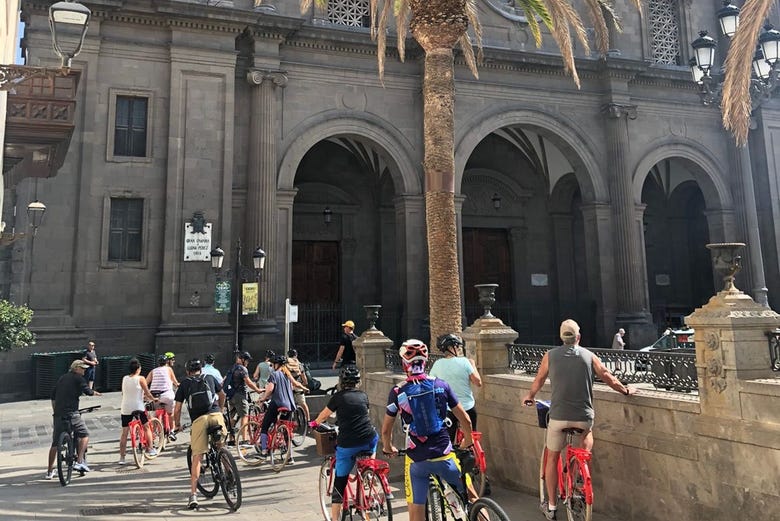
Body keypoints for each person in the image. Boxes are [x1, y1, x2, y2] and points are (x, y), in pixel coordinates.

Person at [522, 319, 636, 521]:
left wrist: (530, 396)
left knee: (552, 458)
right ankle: (579, 468)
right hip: (583, 416)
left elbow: (538, 379)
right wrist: (626, 390)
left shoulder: (550, 356)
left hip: (558, 417)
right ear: (579, 337)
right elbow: (608, 377)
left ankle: (551, 506)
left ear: (560, 337)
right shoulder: (589, 355)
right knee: (586, 434)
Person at [381, 339, 474, 521]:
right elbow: (466, 420)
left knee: (416, 512)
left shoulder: (398, 392)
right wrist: (468, 440)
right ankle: (480, 512)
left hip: (417, 459)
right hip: (445, 453)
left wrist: (387, 447)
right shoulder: (441, 385)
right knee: (471, 497)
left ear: (404, 363)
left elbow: (386, 429)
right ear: (425, 361)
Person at [310, 365, 378, 521]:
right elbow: (362, 414)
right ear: (358, 382)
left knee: (339, 484)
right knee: (374, 439)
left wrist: (314, 424)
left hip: (348, 443)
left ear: (341, 381)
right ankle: (369, 471)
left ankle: (334, 519)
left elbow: (324, 415)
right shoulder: (363, 395)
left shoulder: (338, 397)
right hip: (369, 438)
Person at [173, 359, 226, 509]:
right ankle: (229, 474)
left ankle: (193, 495)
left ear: (187, 371)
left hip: (199, 420)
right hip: (216, 415)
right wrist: (220, 410)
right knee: (221, 446)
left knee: (197, 457)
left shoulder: (184, 383)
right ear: (201, 370)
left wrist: (177, 425)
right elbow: (222, 395)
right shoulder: (209, 378)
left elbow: (177, 409)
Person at [46, 360, 102, 479]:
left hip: (58, 415)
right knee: (84, 434)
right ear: (76, 368)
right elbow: (87, 391)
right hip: (72, 414)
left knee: (55, 443)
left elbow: (53, 395)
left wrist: (55, 411)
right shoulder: (78, 378)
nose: (84, 370)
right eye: (82, 368)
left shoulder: (62, 378)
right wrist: (94, 393)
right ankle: (80, 461)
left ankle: (49, 471)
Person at [429, 333, 482, 441]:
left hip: (449, 409)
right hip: (468, 407)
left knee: (448, 441)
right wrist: (472, 365)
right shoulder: (465, 362)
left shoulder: (437, 364)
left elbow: (430, 385)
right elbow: (478, 382)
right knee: (471, 437)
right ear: (451, 347)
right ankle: (469, 449)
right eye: (457, 346)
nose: (458, 349)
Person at [118, 358, 158, 464]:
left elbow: (124, 392)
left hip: (125, 407)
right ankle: (150, 448)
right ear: (138, 369)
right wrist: (153, 399)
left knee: (124, 433)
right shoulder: (141, 378)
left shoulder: (124, 378)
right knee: (146, 427)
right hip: (138, 407)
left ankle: (122, 458)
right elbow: (147, 393)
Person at [257, 355, 296, 458]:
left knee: (265, 426)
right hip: (289, 405)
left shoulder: (274, 374)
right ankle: (289, 456)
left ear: (276, 365)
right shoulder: (287, 375)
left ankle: (264, 451)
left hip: (277, 403)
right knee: (285, 429)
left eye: (272, 364)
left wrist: (263, 398)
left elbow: (270, 389)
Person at [226, 351, 264, 434]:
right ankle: (244, 439)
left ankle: (230, 439)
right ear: (243, 359)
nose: (248, 362)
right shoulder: (242, 369)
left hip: (231, 395)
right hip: (240, 395)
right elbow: (249, 382)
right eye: (247, 360)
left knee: (232, 417)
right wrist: (257, 390)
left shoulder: (232, 368)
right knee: (245, 416)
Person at [147, 352, 180, 433]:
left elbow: (146, 382)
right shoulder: (169, 369)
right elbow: (175, 383)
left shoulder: (153, 371)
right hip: (167, 395)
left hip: (154, 396)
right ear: (166, 362)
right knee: (170, 413)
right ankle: (172, 431)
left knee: (154, 414)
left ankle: (154, 433)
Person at [287, 349, 310, 422]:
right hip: (298, 386)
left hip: (289, 386)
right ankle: (308, 420)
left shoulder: (286, 363)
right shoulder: (299, 364)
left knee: (289, 405)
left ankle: (290, 422)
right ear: (296, 355)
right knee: (303, 404)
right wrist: (305, 385)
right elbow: (304, 377)